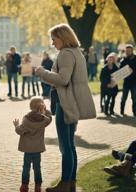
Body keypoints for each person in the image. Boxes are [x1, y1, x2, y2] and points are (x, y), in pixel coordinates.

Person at [35, 23, 96, 192]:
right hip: (73, 103)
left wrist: (42, 72)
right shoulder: (77, 53)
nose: (52, 43)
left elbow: (63, 80)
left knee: (65, 146)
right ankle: (71, 183)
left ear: (63, 37)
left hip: (66, 103)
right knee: (70, 145)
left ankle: (64, 183)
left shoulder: (66, 54)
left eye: (54, 39)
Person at [13, 97, 52, 192]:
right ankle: (38, 186)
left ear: (30, 107)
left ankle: (24, 186)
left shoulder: (26, 119)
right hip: (37, 149)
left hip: (27, 149)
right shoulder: (43, 120)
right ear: (41, 107)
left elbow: (20, 131)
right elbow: (49, 119)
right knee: (37, 168)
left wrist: (16, 125)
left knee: (26, 167)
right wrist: (45, 111)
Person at [119, 44, 136, 116]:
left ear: (132, 51)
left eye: (129, 51)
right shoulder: (123, 60)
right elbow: (120, 72)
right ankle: (122, 111)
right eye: (127, 51)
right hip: (126, 82)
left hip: (134, 82)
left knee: (134, 98)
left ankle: (135, 112)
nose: (128, 52)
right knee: (123, 98)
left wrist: (133, 71)